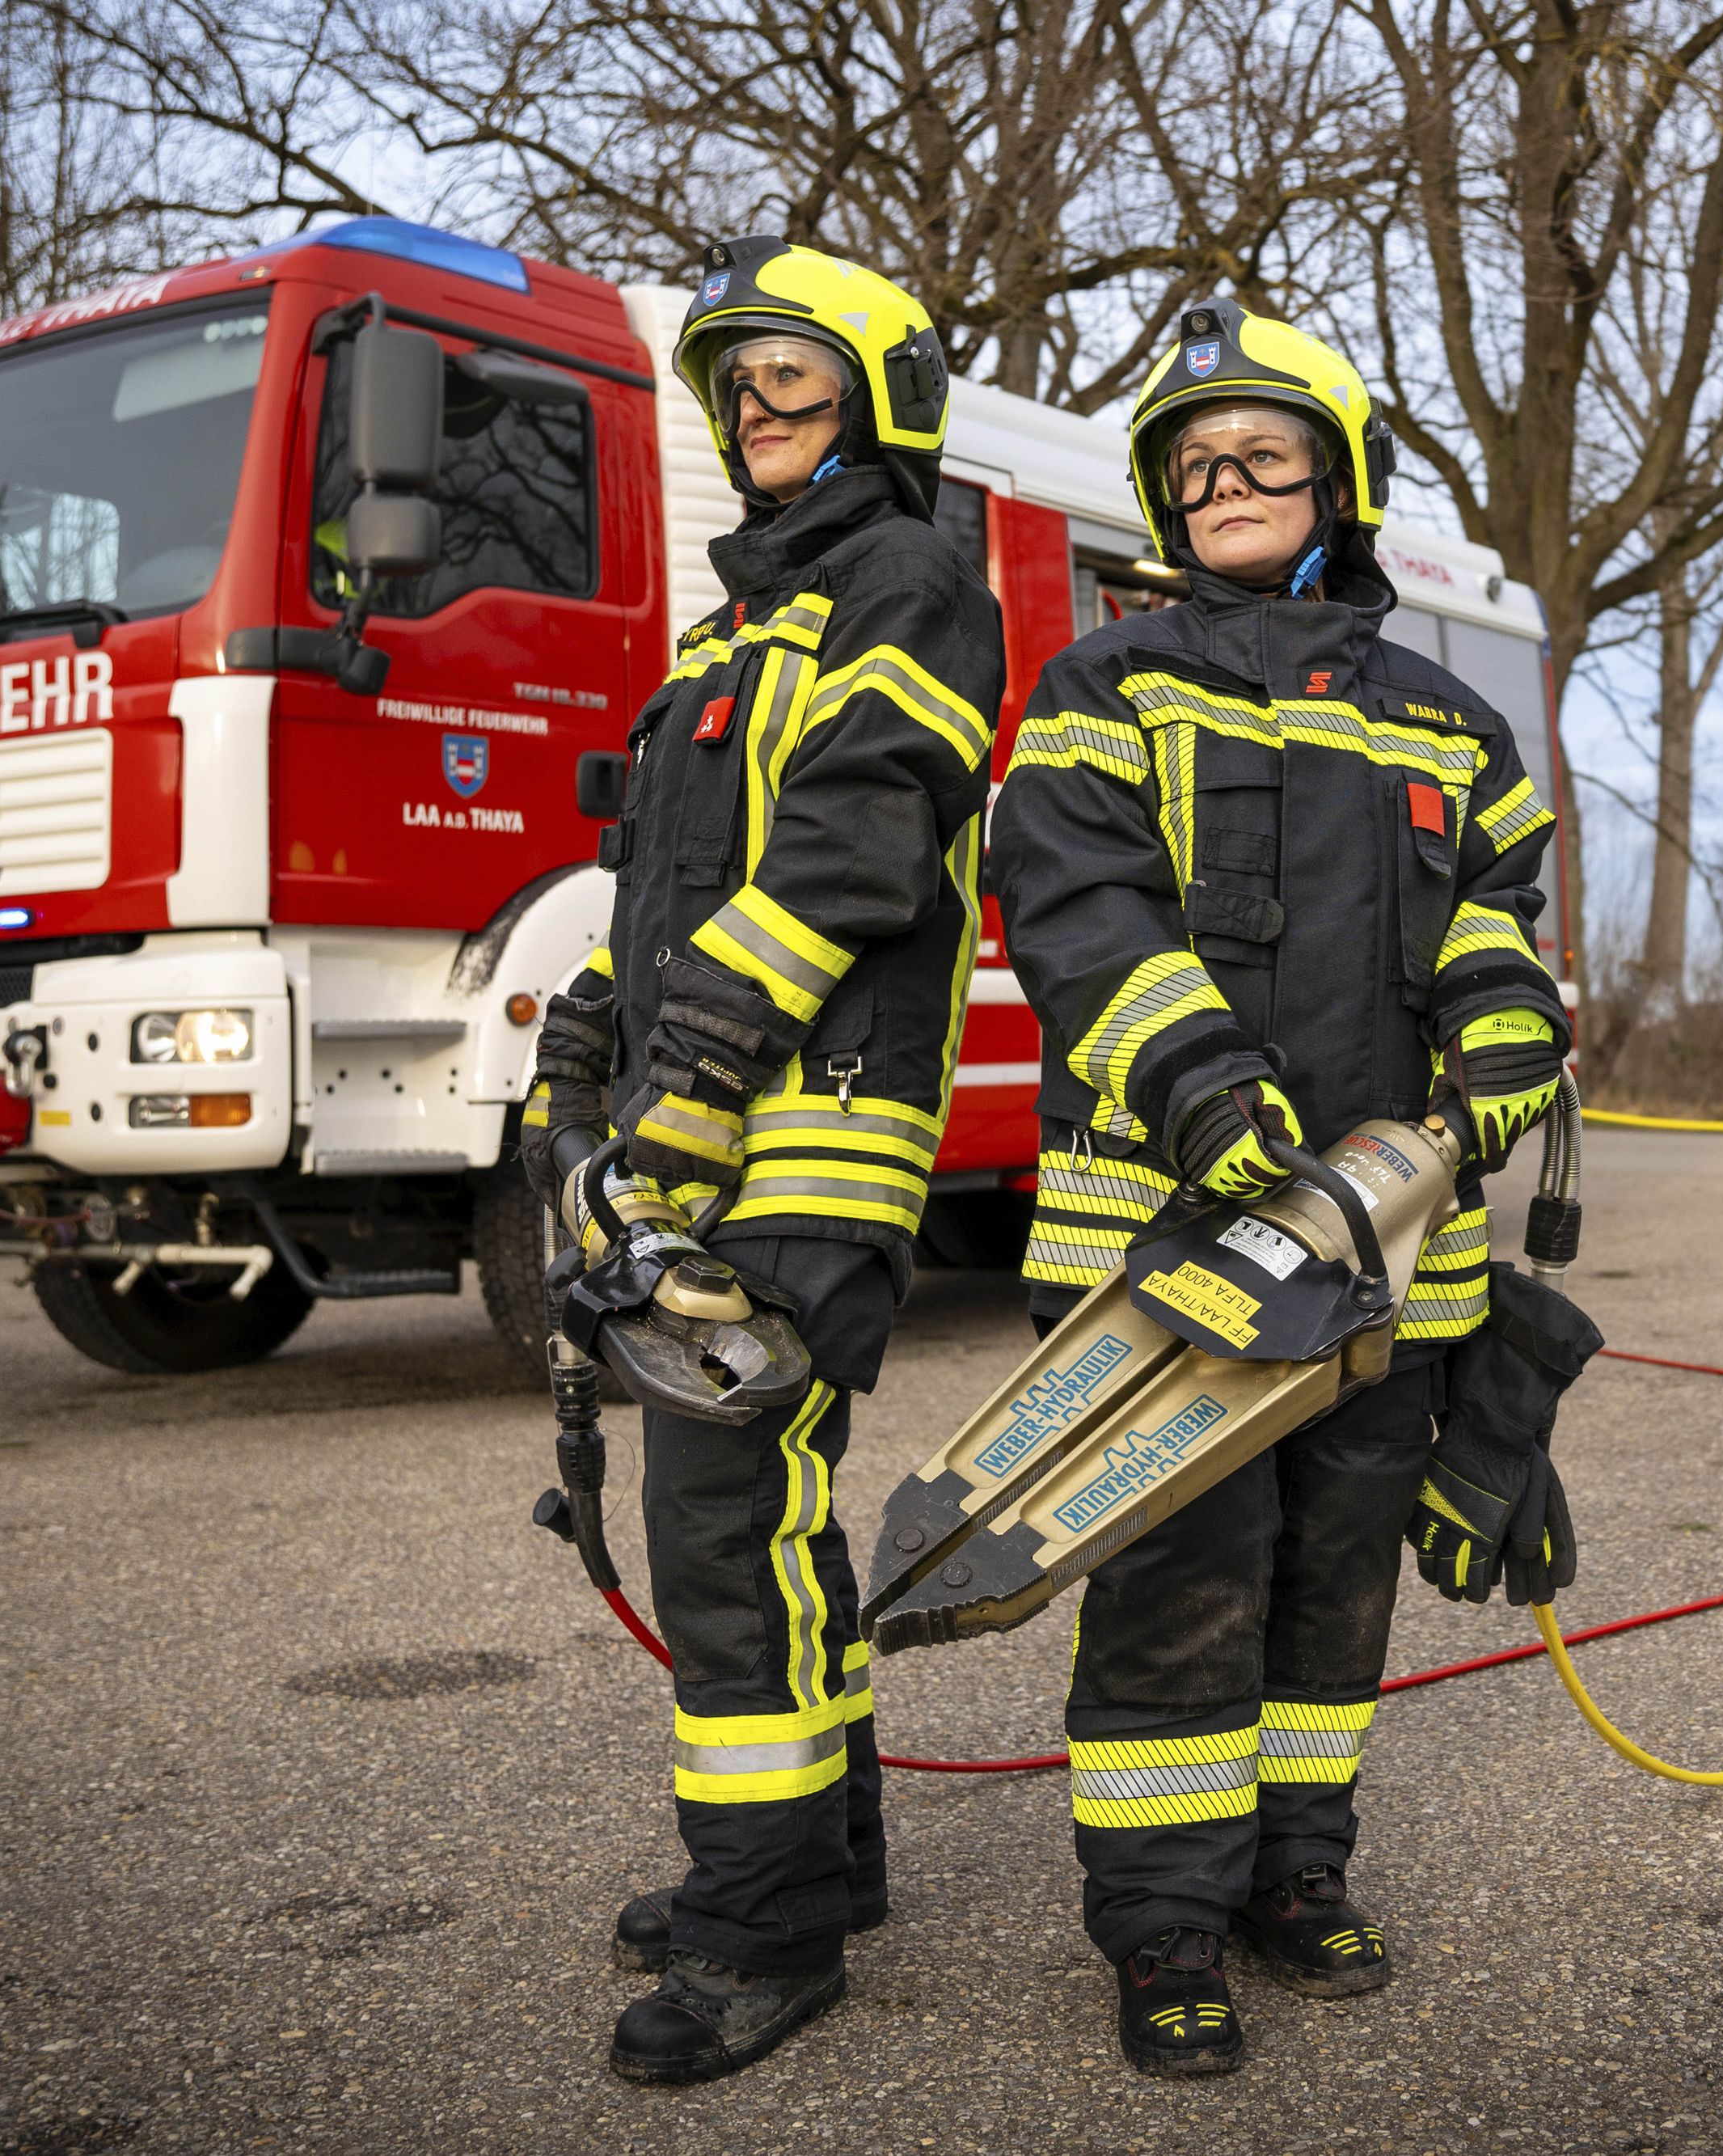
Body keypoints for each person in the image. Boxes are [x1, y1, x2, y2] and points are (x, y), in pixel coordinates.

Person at [986, 298, 1569, 2076]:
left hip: (1397, 1251)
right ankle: (1160, 1923)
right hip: (1177, 1241)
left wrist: (1499, 1036)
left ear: (1338, 482)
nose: (1221, 477)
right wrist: (1202, 1088)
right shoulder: (1103, 686)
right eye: (1193, 460)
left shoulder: (1452, 726)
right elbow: (1076, 913)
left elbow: (1492, 923)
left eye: (1260, 452)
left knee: (1333, 1580)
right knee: (1177, 1579)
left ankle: (1293, 1871)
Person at [520, 235, 1005, 2085]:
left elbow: (854, 859)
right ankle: (820, 1854)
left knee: (720, 1529)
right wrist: (590, 1028)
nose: (753, 408)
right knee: (772, 1527)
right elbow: (668, 893)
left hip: (813, 1137)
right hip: (705, 1129)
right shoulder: (723, 638)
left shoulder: (910, 582)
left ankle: (761, 1928)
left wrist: (701, 1067)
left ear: (875, 398)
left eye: (789, 376)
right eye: (735, 384)